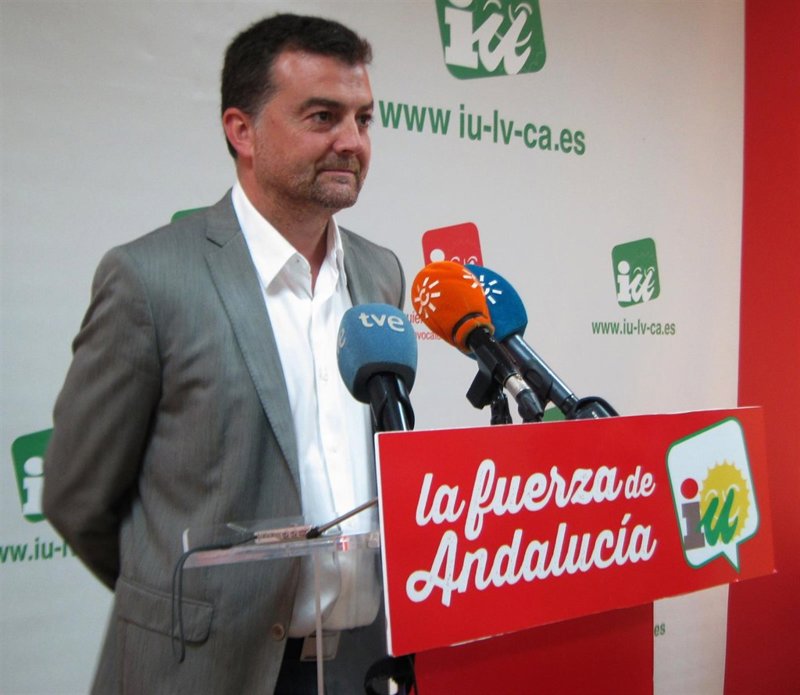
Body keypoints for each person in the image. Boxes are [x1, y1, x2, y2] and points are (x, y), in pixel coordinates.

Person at [43, 13, 404, 694]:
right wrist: (190, 606)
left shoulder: (381, 273)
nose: (352, 142)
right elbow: (76, 497)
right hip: (206, 670)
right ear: (242, 130)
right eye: (323, 117)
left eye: (364, 119)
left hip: (360, 666)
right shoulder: (151, 278)